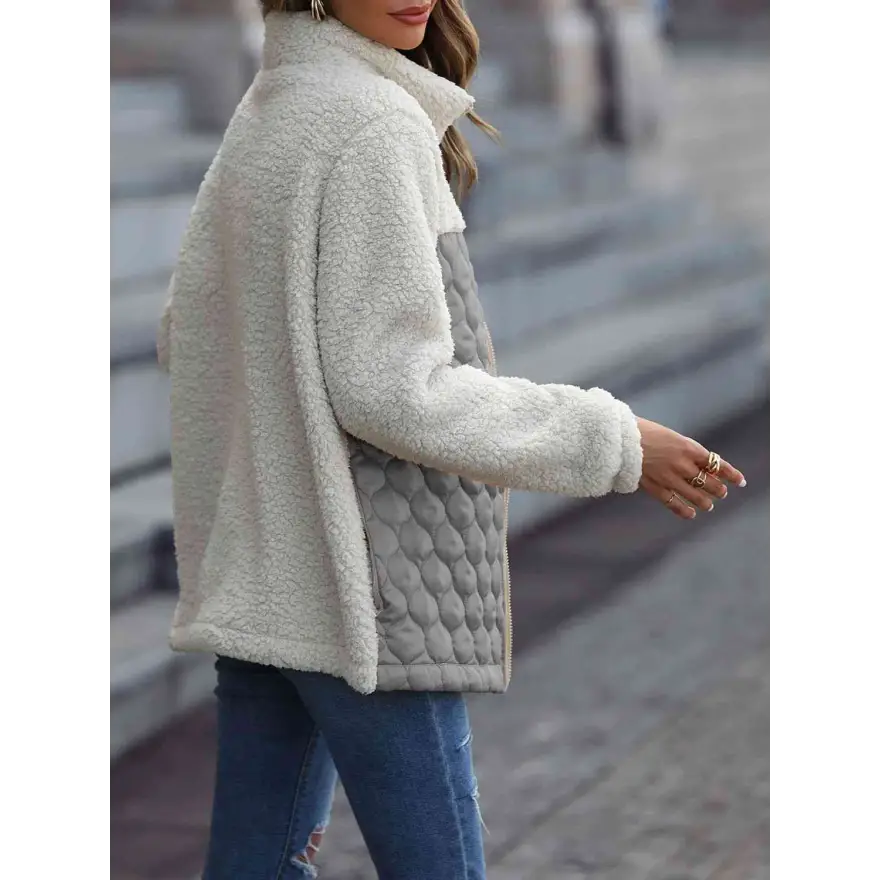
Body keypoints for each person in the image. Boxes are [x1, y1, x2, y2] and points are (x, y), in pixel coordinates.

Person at [156, 1, 747, 877]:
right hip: (372, 596)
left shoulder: (275, 102)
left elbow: (190, 332)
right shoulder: (371, 121)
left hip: (273, 583)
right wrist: (616, 440)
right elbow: (396, 391)